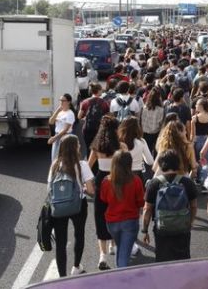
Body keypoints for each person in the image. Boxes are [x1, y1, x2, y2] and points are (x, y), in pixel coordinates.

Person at [48, 135, 95, 276]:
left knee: (61, 243)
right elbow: (91, 190)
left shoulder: (55, 164)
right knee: (79, 235)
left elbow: (49, 188)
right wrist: (84, 190)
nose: (80, 146)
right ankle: (76, 267)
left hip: (59, 205)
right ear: (75, 148)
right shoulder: (82, 165)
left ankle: (62, 276)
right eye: (78, 144)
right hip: (78, 205)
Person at [142, 150, 198, 262]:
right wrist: (190, 223)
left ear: (161, 164)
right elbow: (194, 206)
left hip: (162, 228)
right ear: (178, 164)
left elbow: (147, 209)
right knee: (183, 258)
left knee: (163, 258)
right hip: (182, 228)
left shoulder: (154, 184)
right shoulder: (187, 183)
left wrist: (145, 230)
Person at [88, 116, 127, 270]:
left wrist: (89, 183)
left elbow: (88, 165)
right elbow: (126, 167)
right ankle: (114, 245)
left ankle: (102, 255)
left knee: (100, 216)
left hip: (100, 181)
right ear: (115, 130)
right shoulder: (121, 146)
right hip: (116, 181)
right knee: (116, 214)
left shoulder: (96, 146)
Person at [100, 151, 145, 268]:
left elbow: (103, 199)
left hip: (112, 223)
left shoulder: (106, 181)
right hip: (130, 221)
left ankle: (119, 277)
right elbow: (141, 202)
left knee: (121, 250)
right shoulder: (136, 180)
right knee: (124, 256)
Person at [77, 83, 109, 156]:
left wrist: (86, 117)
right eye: (101, 90)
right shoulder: (104, 103)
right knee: (98, 148)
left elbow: (79, 116)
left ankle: (89, 165)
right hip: (99, 129)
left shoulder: (85, 102)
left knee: (88, 149)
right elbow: (107, 116)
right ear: (98, 91)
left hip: (87, 129)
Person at [190, 98, 208, 184]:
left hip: (197, 141)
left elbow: (193, 134)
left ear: (201, 106)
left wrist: (191, 144)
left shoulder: (195, 118)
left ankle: (198, 179)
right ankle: (205, 180)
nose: (195, 106)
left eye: (197, 104)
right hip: (207, 140)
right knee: (206, 161)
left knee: (197, 160)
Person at [48, 94, 76, 162]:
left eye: (63, 100)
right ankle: (55, 172)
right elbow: (51, 122)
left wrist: (54, 138)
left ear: (69, 102)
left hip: (65, 137)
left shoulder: (70, 114)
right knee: (54, 158)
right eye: (60, 100)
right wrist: (57, 111)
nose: (61, 102)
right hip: (57, 135)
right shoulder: (60, 112)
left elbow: (65, 129)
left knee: (63, 159)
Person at [140, 87, 164, 157]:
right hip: (156, 133)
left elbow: (141, 120)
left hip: (145, 133)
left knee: (147, 152)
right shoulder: (160, 110)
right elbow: (160, 123)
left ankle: (147, 166)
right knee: (156, 151)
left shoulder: (144, 107)